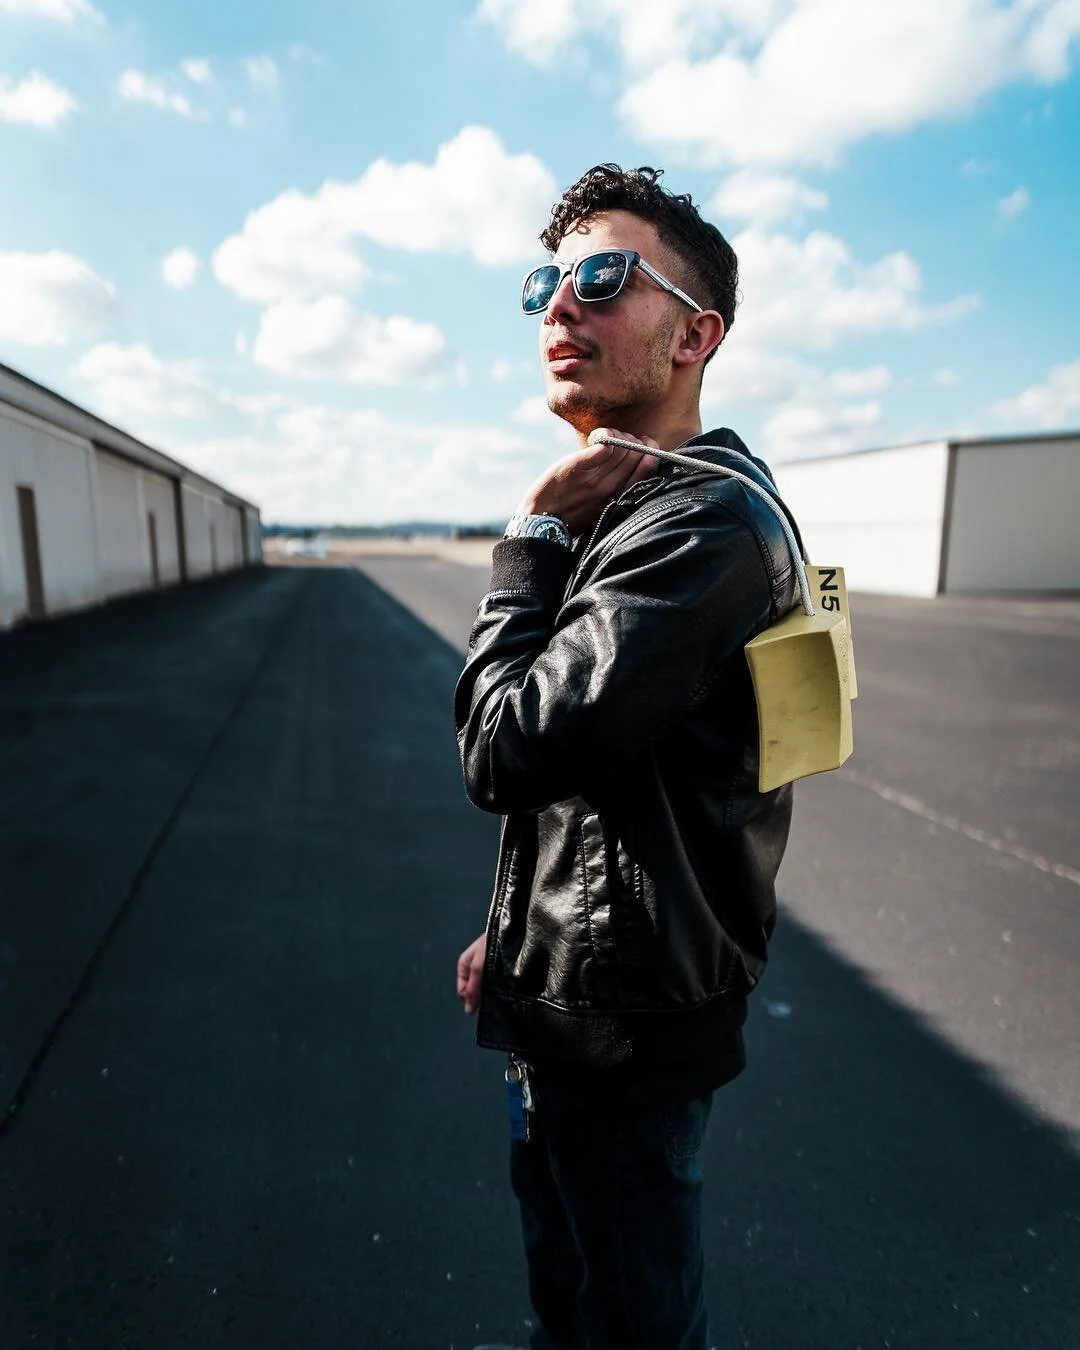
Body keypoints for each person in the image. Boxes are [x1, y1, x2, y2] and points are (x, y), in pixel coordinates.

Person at [454, 164, 800, 1350]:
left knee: (630, 1317)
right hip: (577, 993)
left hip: (626, 1024)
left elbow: (506, 748)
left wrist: (529, 536)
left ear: (695, 333)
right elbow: (605, 782)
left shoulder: (699, 524)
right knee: (575, 1289)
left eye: (604, 278)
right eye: (548, 282)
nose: (562, 306)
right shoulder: (640, 511)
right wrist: (516, 924)